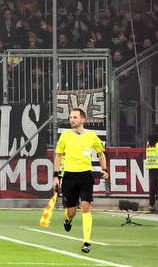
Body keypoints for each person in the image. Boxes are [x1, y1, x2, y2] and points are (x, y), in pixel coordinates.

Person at [52, 107, 109, 254]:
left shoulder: (91, 136)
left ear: (83, 120)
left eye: (75, 117)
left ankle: (86, 242)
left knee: (85, 207)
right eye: (71, 117)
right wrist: (56, 176)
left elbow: (101, 153)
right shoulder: (65, 136)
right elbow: (58, 156)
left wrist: (105, 169)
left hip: (85, 176)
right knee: (71, 212)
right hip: (69, 177)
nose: (72, 120)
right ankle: (67, 219)